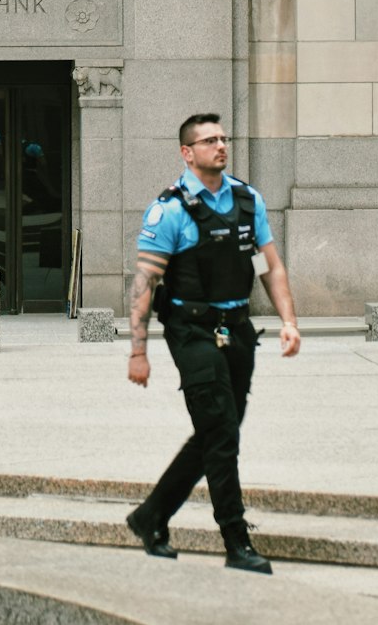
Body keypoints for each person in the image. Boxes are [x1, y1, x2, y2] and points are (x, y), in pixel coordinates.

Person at [125, 112, 300, 575]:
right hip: (192, 332)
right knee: (221, 432)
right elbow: (144, 282)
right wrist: (138, 351)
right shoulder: (169, 211)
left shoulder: (248, 200)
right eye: (209, 141)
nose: (220, 146)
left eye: (223, 138)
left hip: (238, 330)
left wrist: (289, 321)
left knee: (218, 431)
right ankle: (236, 541)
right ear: (188, 152)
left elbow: (270, 267)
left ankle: (150, 517)